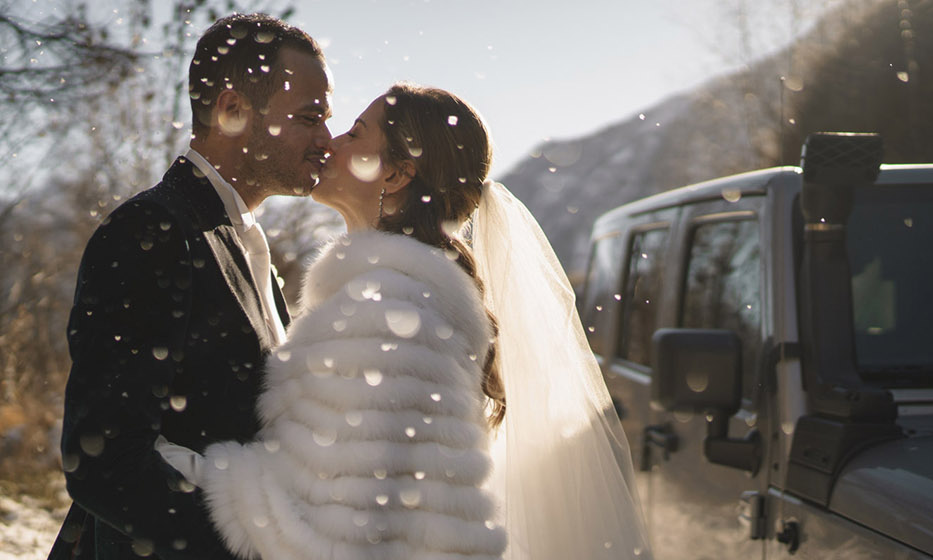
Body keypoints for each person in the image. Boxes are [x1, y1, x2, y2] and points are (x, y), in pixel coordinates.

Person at [156, 84, 653, 559]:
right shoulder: (408, 299)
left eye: (354, 133)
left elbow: (327, 536)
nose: (331, 141)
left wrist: (171, 461)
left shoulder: (386, 309)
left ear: (394, 175)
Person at [49, 13, 331, 560]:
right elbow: (104, 460)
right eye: (310, 117)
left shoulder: (248, 245)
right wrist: (263, 542)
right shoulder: (150, 231)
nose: (326, 139)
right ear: (231, 111)